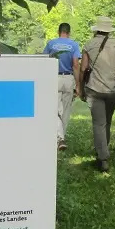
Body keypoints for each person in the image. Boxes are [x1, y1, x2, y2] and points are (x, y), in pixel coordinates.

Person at [80, 16, 115, 172]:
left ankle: (102, 157)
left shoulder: (89, 45)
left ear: (97, 30)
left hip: (94, 89)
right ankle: (103, 152)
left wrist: (79, 87)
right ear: (109, 31)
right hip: (113, 90)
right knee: (106, 122)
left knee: (99, 123)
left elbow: (83, 69)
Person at [43, 22, 81, 151]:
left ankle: (60, 138)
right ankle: (61, 137)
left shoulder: (51, 44)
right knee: (66, 110)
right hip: (68, 78)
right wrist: (78, 84)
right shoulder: (74, 45)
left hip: (55, 78)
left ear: (58, 32)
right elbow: (76, 64)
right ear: (69, 33)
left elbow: (45, 60)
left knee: (55, 110)